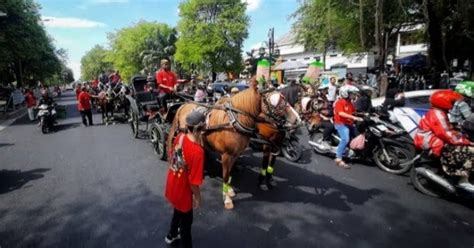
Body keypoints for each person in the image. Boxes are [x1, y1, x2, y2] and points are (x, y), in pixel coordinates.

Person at [414, 90, 474, 191]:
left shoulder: (439, 112)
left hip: (435, 139)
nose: (453, 104)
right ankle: (463, 179)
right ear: (443, 102)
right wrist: (467, 142)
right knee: (471, 151)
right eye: (452, 101)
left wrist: (460, 134)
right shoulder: (437, 114)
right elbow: (446, 134)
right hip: (430, 142)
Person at [165, 111, 206, 248]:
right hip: (184, 191)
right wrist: (198, 197)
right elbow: (194, 182)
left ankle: (171, 235)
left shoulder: (180, 137)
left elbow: (173, 156)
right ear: (199, 129)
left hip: (173, 183)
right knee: (186, 225)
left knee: (178, 211)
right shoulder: (198, 152)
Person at [333, 85, 363, 169]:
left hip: (349, 123)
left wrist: (363, 114)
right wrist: (354, 117)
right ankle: (338, 158)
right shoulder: (340, 102)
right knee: (345, 139)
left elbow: (354, 112)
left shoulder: (350, 103)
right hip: (340, 124)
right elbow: (341, 113)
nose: (354, 95)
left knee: (359, 135)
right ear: (346, 93)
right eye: (352, 94)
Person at [314, 85, 334, 149]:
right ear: (322, 91)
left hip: (329, 117)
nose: (327, 91)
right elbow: (316, 111)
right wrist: (323, 117)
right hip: (321, 119)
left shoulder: (325, 98)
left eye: (326, 89)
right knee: (330, 126)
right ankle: (324, 140)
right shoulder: (318, 99)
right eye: (325, 90)